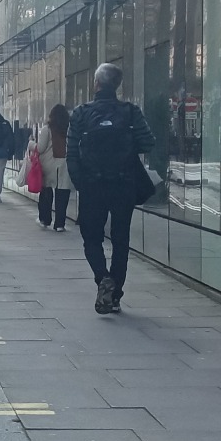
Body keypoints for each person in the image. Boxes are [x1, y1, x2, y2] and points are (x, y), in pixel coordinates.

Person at [67, 63, 156, 314]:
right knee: (120, 239)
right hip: (123, 184)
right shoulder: (130, 112)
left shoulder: (81, 113)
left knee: (91, 238)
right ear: (117, 85)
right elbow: (148, 143)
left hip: (92, 186)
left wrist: (81, 182)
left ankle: (102, 278)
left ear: (96, 84)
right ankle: (115, 296)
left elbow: (71, 152)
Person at [32, 103, 73, 231]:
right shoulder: (70, 128)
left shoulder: (47, 129)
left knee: (46, 192)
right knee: (62, 194)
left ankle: (45, 219)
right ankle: (60, 224)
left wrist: (31, 144)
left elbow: (40, 148)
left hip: (49, 165)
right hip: (65, 165)